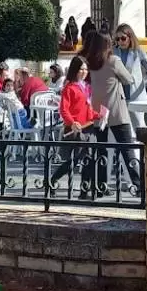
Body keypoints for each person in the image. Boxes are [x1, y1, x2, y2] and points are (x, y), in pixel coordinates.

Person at [83, 32, 142, 194]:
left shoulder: (91, 63)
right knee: (127, 148)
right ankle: (138, 184)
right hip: (116, 110)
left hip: (98, 112)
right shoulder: (113, 61)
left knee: (102, 149)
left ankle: (101, 186)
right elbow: (128, 79)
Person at [56, 55, 103, 195]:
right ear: (75, 70)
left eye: (86, 69)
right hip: (75, 129)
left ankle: (84, 190)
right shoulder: (69, 88)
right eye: (81, 69)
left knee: (88, 159)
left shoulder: (87, 87)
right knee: (74, 161)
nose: (84, 72)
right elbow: (64, 109)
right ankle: (53, 180)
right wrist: (72, 122)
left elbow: (88, 110)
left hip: (88, 127)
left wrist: (99, 115)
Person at [113, 24, 147, 92]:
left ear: (130, 37)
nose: (120, 41)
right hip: (118, 94)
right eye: (117, 39)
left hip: (135, 92)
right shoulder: (113, 52)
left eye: (123, 38)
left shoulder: (138, 51)